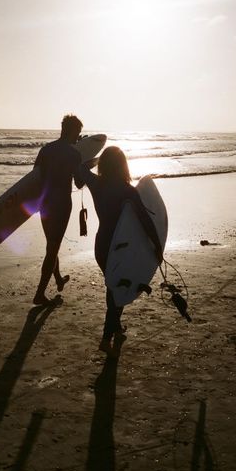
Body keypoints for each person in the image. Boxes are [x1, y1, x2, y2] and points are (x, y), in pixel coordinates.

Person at [77, 146, 163, 357]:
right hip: (122, 246)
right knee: (118, 287)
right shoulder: (128, 191)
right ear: (123, 164)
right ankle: (106, 338)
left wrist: (90, 159)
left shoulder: (97, 184)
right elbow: (145, 221)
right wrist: (157, 246)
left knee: (116, 284)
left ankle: (115, 329)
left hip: (102, 245)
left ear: (104, 165)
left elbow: (78, 169)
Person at [33, 114, 85, 306]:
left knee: (51, 244)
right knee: (53, 247)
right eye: (77, 133)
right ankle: (39, 294)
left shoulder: (46, 149)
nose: (78, 137)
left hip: (44, 204)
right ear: (71, 130)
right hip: (62, 205)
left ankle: (58, 278)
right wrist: (86, 163)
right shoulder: (74, 155)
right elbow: (79, 183)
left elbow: (35, 177)